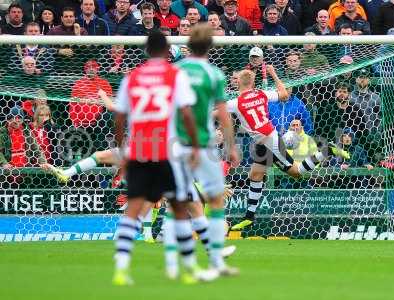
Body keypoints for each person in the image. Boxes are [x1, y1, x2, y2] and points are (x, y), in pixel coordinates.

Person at [112, 31, 216, 286]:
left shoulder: (132, 77)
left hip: (138, 151)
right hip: (166, 151)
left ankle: (121, 269)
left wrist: (122, 149)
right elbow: (187, 113)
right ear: (167, 51)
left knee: (134, 208)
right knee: (180, 207)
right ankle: (190, 268)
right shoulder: (174, 75)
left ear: (146, 50)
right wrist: (193, 145)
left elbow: (119, 117)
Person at [228, 69, 349, 230]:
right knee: (255, 174)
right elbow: (284, 94)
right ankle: (249, 217)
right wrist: (273, 73)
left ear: (237, 83)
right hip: (266, 140)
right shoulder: (262, 94)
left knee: (297, 172)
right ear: (252, 83)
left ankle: (327, 151)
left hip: (270, 142)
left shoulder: (235, 103)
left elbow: (216, 113)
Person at [171, 23, 240, 277]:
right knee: (215, 197)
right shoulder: (214, 75)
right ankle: (215, 256)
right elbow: (224, 115)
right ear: (210, 47)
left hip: (175, 144)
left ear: (188, 46)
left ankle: (183, 261)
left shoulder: (175, 70)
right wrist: (231, 147)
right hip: (204, 144)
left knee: (184, 203)